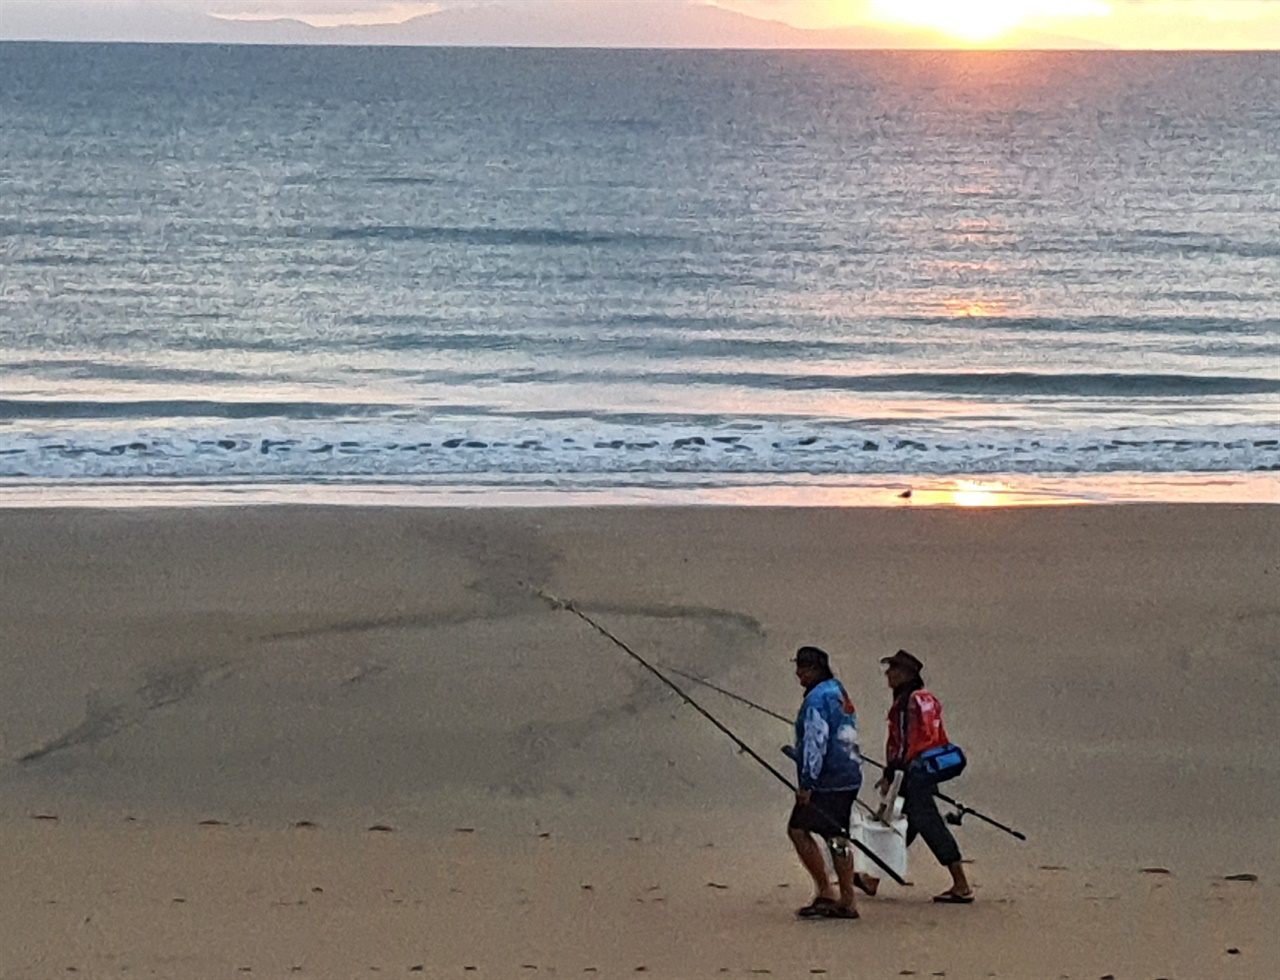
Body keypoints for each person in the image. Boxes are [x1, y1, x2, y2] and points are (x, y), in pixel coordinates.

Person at [870, 649, 974, 904]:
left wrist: (892, 773)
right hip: (926, 769)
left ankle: (961, 884)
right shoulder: (925, 698)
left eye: (892, 670)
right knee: (904, 822)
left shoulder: (907, 702)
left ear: (905, 674)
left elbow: (905, 742)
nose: (888, 675)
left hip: (913, 772)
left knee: (927, 823)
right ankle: (872, 877)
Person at [782, 645, 862, 920]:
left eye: (803, 668)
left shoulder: (816, 699)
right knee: (836, 835)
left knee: (798, 829)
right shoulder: (837, 690)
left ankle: (829, 890)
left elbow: (817, 740)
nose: (798, 674)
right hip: (849, 774)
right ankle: (846, 897)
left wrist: (807, 782)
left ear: (815, 669)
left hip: (827, 780)